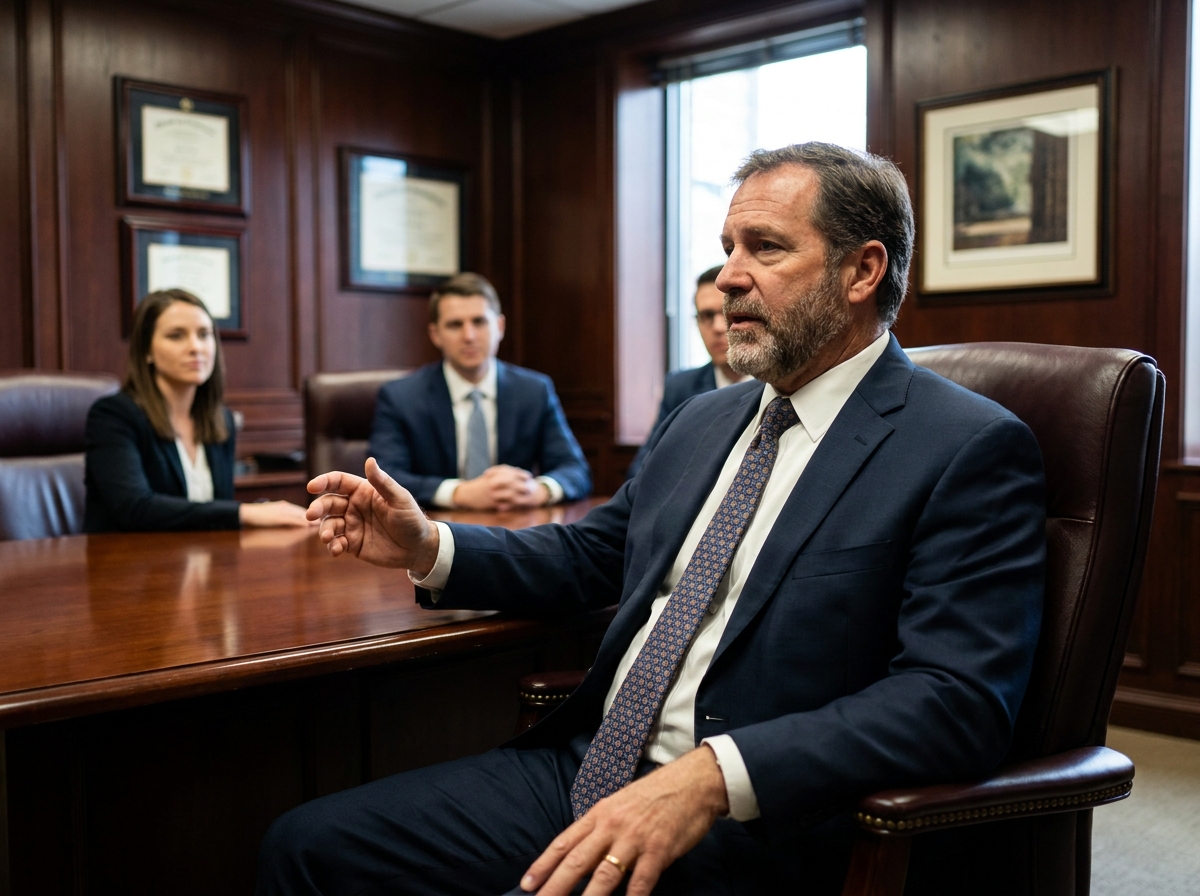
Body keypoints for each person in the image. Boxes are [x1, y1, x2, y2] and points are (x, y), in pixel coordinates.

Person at [259, 143, 1046, 895]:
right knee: (307, 846)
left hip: (751, 818)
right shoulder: (704, 420)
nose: (729, 279)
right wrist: (429, 545)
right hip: (588, 763)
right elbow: (592, 555)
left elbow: (955, 699)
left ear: (861, 271)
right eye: (727, 247)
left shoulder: (965, 446)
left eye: (764, 248)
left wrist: (712, 776)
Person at [85, 289, 311, 533]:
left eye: (204, 334)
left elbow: (217, 511)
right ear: (146, 351)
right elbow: (135, 507)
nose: (195, 347)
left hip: (203, 561)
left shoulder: (221, 420)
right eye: (176, 336)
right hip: (127, 564)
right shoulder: (114, 415)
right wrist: (245, 512)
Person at [368, 272, 591, 512]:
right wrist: (457, 493)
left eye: (479, 322)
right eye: (455, 325)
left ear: (500, 326)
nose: (469, 336)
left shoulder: (534, 391)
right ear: (436, 335)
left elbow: (574, 469)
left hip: (513, 531)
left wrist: (539, 490)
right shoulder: (401, 397)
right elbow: (385, 476)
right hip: (435, 530)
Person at [627, 265, 747, 478]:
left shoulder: (778, 385)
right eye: (707, 316)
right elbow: (644, 469)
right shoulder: (680, 387)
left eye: (727, 313)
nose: (718, 327)